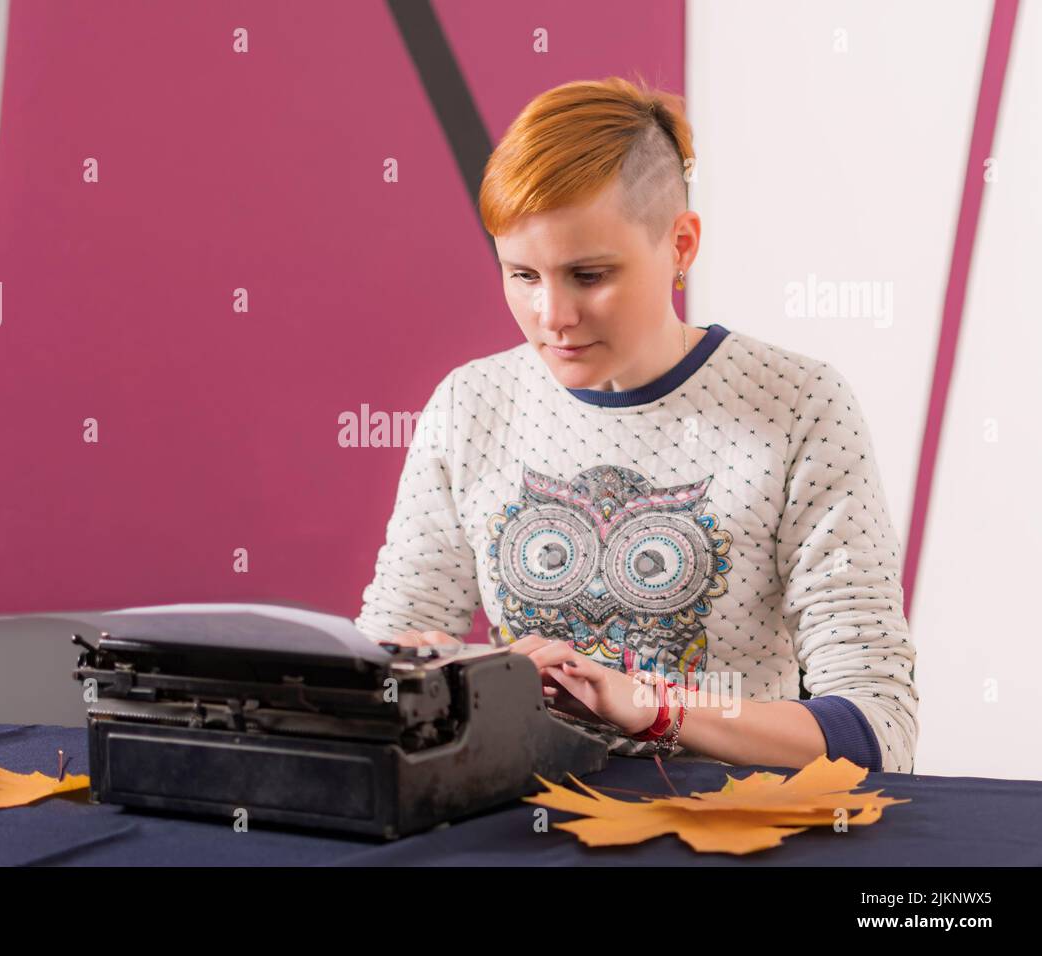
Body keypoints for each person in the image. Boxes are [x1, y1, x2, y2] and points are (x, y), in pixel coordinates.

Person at [353, 76, 918, 773]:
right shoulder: (470, 404)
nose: (551, 316)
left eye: (589, 275)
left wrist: (658, 710)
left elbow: (878, 727)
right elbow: (381, 669)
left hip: (728, 830)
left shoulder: (797, 405)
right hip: (519, 823)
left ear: (681, 245)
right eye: (522, 275)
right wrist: (474, 682)